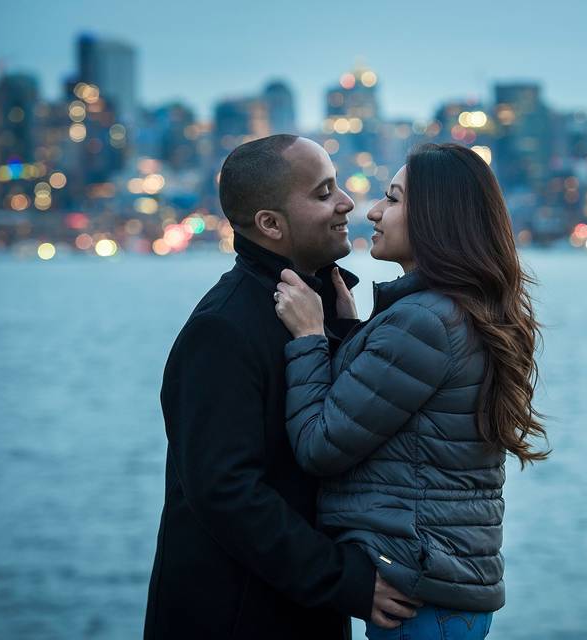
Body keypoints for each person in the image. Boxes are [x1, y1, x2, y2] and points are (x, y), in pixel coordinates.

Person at [144, 134, 419, 640]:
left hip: (299, 610)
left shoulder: (319, 309)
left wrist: (343, 334)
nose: (347, 203)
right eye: (322, 193)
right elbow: (226, 492)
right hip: (236, 620)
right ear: (270, 224)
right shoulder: (223, 329)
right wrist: (348, 581)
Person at [273, 143, 548, 639]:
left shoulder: (423, 322)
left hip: (420, 601)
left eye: (393, 199)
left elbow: (319, 446)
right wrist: (355, 333)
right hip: (442, 592)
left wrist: (310, 338)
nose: (373, 211)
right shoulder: (451, 310)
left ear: (437, 220)